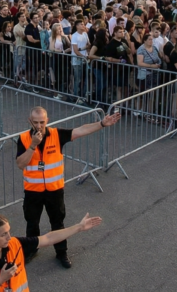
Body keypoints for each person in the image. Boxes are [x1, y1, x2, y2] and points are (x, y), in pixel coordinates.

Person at [14, 106, 120, 268]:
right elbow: (21, 164)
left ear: (47, 121)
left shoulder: (57, 134)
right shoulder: (23, 139)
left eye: (42, 122)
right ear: (30, 121)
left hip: (54, 191)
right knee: (32, 223)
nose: (39, 126)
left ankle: (61, 252)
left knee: (58, 223)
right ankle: (31, 250)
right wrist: (32, 146)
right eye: (35, 122)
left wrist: (102, 124)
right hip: (32, 192)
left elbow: (80, 130)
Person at [0, 212, 103, 292]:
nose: (9, 237)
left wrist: (79, 227)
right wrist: (0, 281)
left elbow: (48, 238)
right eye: (3, 234)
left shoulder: (15, 244)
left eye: (9, 232)